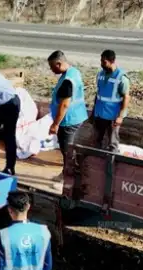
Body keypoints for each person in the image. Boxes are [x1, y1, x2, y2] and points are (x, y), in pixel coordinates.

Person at [46, 50, 88, 185]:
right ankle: (65, 173)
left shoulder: (67, 81)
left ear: (59, 64)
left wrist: (55, 124)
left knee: (67, 152)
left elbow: (64, 105)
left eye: (52, 67)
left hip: (68, 120)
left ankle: (68, 180)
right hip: (78, 115)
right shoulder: (74, 72)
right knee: (68, 150)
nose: (52, 70)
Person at [90, 49, 131, 153]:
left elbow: (126, 97)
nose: (101, 64)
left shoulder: (121, 78)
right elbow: (98, 94)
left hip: (113, 116)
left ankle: (111, 166)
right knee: (95, 141)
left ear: (111, 61)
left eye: (104, 62)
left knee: (113, 143)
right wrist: (93, 112)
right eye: (101, 61)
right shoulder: (100, 75)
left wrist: (120, 117)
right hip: (99, 114)